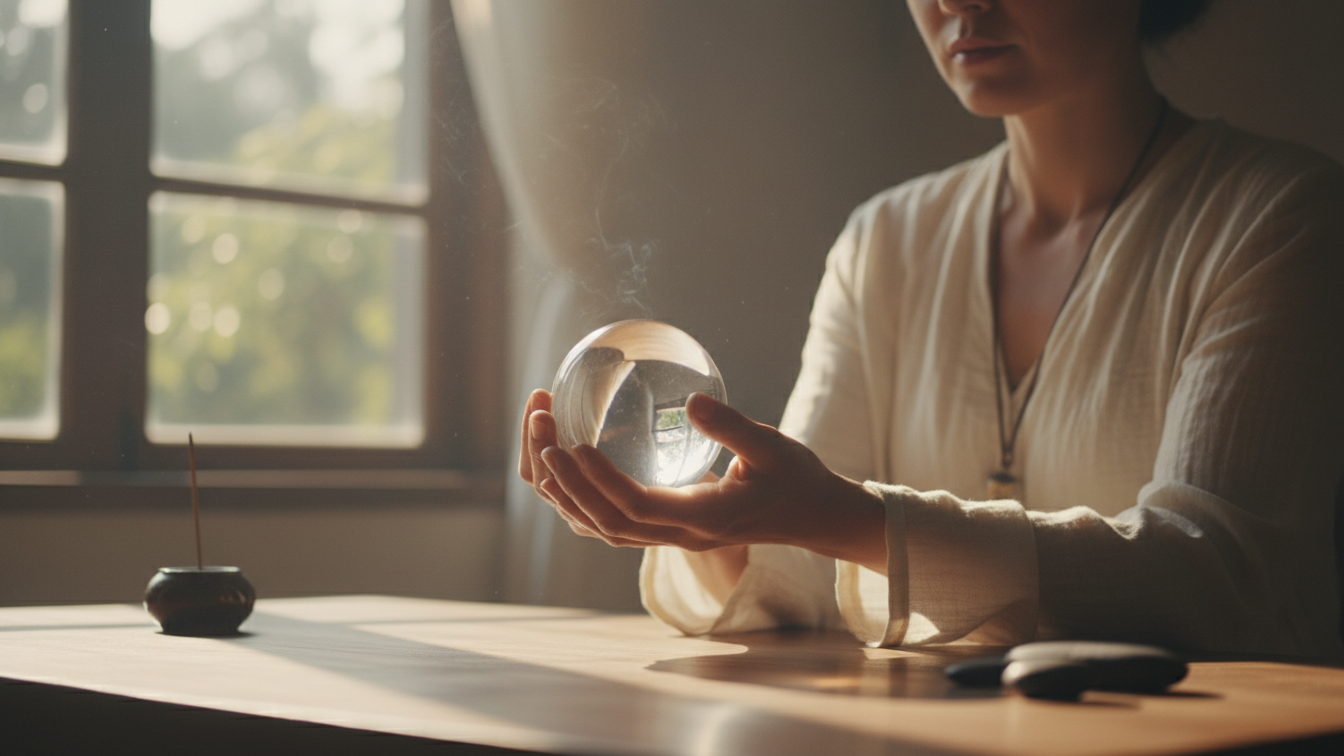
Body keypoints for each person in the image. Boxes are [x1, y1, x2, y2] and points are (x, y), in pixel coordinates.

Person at [517, 0, 1344, 657]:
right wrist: (712, 520)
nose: (957, 0)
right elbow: (800, 567)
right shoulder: (887, 243)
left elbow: (1211, 575)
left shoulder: (1279, 217)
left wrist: (844, 520)